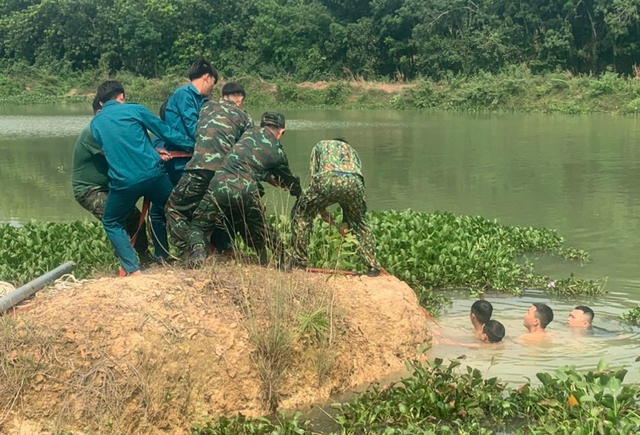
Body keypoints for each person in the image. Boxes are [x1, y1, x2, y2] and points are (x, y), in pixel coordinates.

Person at [90, 80, 194, 276]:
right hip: (154, 175)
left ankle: (132, 269)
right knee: (174, 208)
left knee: (112, 222)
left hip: (123, 183)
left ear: (101, 104)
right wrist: (192, 145)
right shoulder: (135, 110)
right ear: (121, 97)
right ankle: (192, 253)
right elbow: (165, 132)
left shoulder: (95, 123)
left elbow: (112, 147)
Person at [186, 112, 301, 268]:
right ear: (282, 131)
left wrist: (266, 176)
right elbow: (289, 180)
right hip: (248, 190)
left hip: (220, 185)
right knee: (263, 229)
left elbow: (246, 158)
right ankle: (283, 260)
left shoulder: (248, 132)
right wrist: (298, 193)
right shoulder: (277, 153)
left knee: (198, 226)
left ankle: (198, 253)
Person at [166, 82, 253, 254]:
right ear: (240, 99)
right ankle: (222, 248)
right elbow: (247, 149)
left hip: (197, 169)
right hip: (225, 175)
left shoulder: (206, 106)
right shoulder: (245, 118)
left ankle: (194, 250)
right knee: (228, 209)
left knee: (174, 208)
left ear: (222, 96)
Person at [72, 95, 151, 263]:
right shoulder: (92, 133)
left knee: (136, 219)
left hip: (108, 188)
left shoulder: (105, 131)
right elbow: (116, 155)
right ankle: (127, 264)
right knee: (116, 219)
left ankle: (145, 258)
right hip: (89, 190)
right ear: (100, 112)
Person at [291, 138, 381, 277]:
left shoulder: (320, 146)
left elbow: (315, 178)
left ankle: (300, 262)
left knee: (302, 212)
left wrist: (319, 208)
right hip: (355, 183)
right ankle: (372, 267)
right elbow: (351, 181)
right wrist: (348, 220)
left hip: (327, 179)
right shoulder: (351, 151)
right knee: (359, 222)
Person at [161, 58, 219, 185]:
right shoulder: (184, 94)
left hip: (191, 157)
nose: (211, 89)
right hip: (180, 159)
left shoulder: (200, 100)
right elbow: (193, 127)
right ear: (207, 77)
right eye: (212, 84)